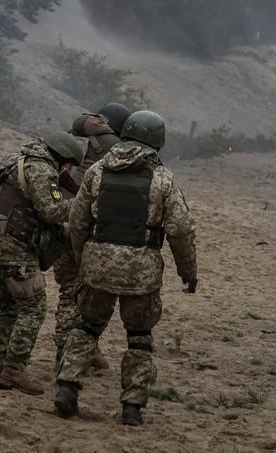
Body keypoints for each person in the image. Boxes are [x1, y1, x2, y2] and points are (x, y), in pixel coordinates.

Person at [54, 110, 198, 427]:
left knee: (86, 328)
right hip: (141, 273)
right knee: (139, 338)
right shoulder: (163, 179)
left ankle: (66, 388)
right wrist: (188, 272)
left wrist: (84, 259)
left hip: (97, 266)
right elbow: (180, 231)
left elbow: (77, 224)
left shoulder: (96, 171)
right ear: (157, 142)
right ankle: (131, 409)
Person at [0, 131, 86, 395]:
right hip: (15, 249)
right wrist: (79, 204)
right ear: (62, 158)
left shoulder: (15, 160)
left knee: (8, 307)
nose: (68, 170)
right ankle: (14, 370)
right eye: (69, 164)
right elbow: (51, 211)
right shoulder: (41, 169)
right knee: (33, 306)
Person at [52, 101, 134, 372]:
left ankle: (88, 350)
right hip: (84, 227)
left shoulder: (79, 137)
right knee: (83, 293)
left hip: (59, 217)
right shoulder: (114, 146)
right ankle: (67, 354)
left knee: (74, 290)